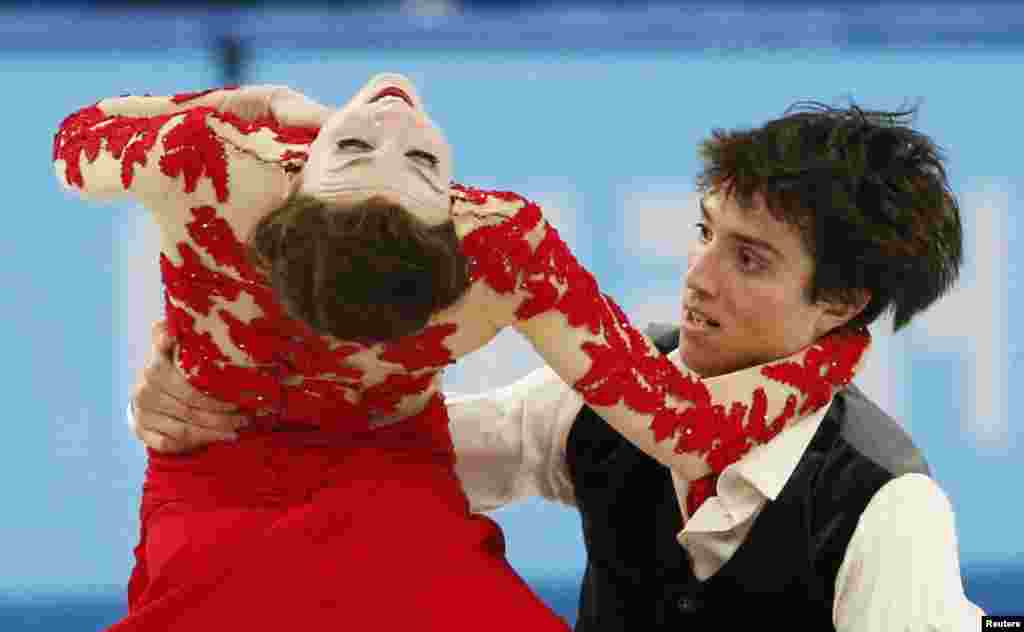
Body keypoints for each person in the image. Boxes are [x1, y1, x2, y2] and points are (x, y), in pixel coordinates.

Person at [132, 99, 987, 630]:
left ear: (841, 305)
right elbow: (377, 455)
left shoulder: (887, 510)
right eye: (704, 234)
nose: (697, 277)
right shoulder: (596, 403)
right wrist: (211, 398)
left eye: (750, 259)